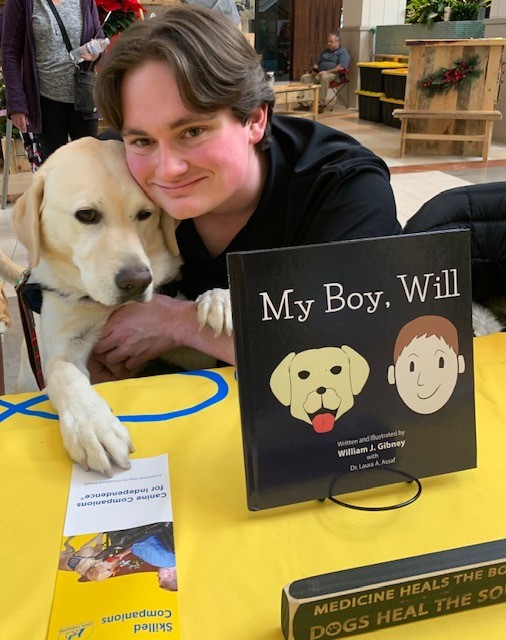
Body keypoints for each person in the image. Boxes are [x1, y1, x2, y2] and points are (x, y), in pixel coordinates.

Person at [89, 5, 400, 383]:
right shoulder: (113, 173)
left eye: (192, 132)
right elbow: (47, 291)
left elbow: (363, 350)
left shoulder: (342, 185)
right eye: (142, 140)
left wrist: (176, 321)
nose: (167, 169)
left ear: (255, 119)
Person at [1, 0, 103, 163]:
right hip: (45, 102)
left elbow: (99, 35)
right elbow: (10, 52)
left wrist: (96, 51)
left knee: (90, 166)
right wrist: (16, 103)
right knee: (53, 169)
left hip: (83, 98)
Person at [298, 32, 350, 113]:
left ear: (337, 42)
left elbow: (340, 67)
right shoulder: (324, 52)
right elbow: (316, 63)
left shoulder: (343, 53)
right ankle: (305, 104)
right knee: (305, 77)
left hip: (335, 75)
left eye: (331, 41)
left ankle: (320, 104)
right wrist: (314, 70)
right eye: (328, 41)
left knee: (324, 77)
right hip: (320, 74)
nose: (328, 43)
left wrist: (327, 72)